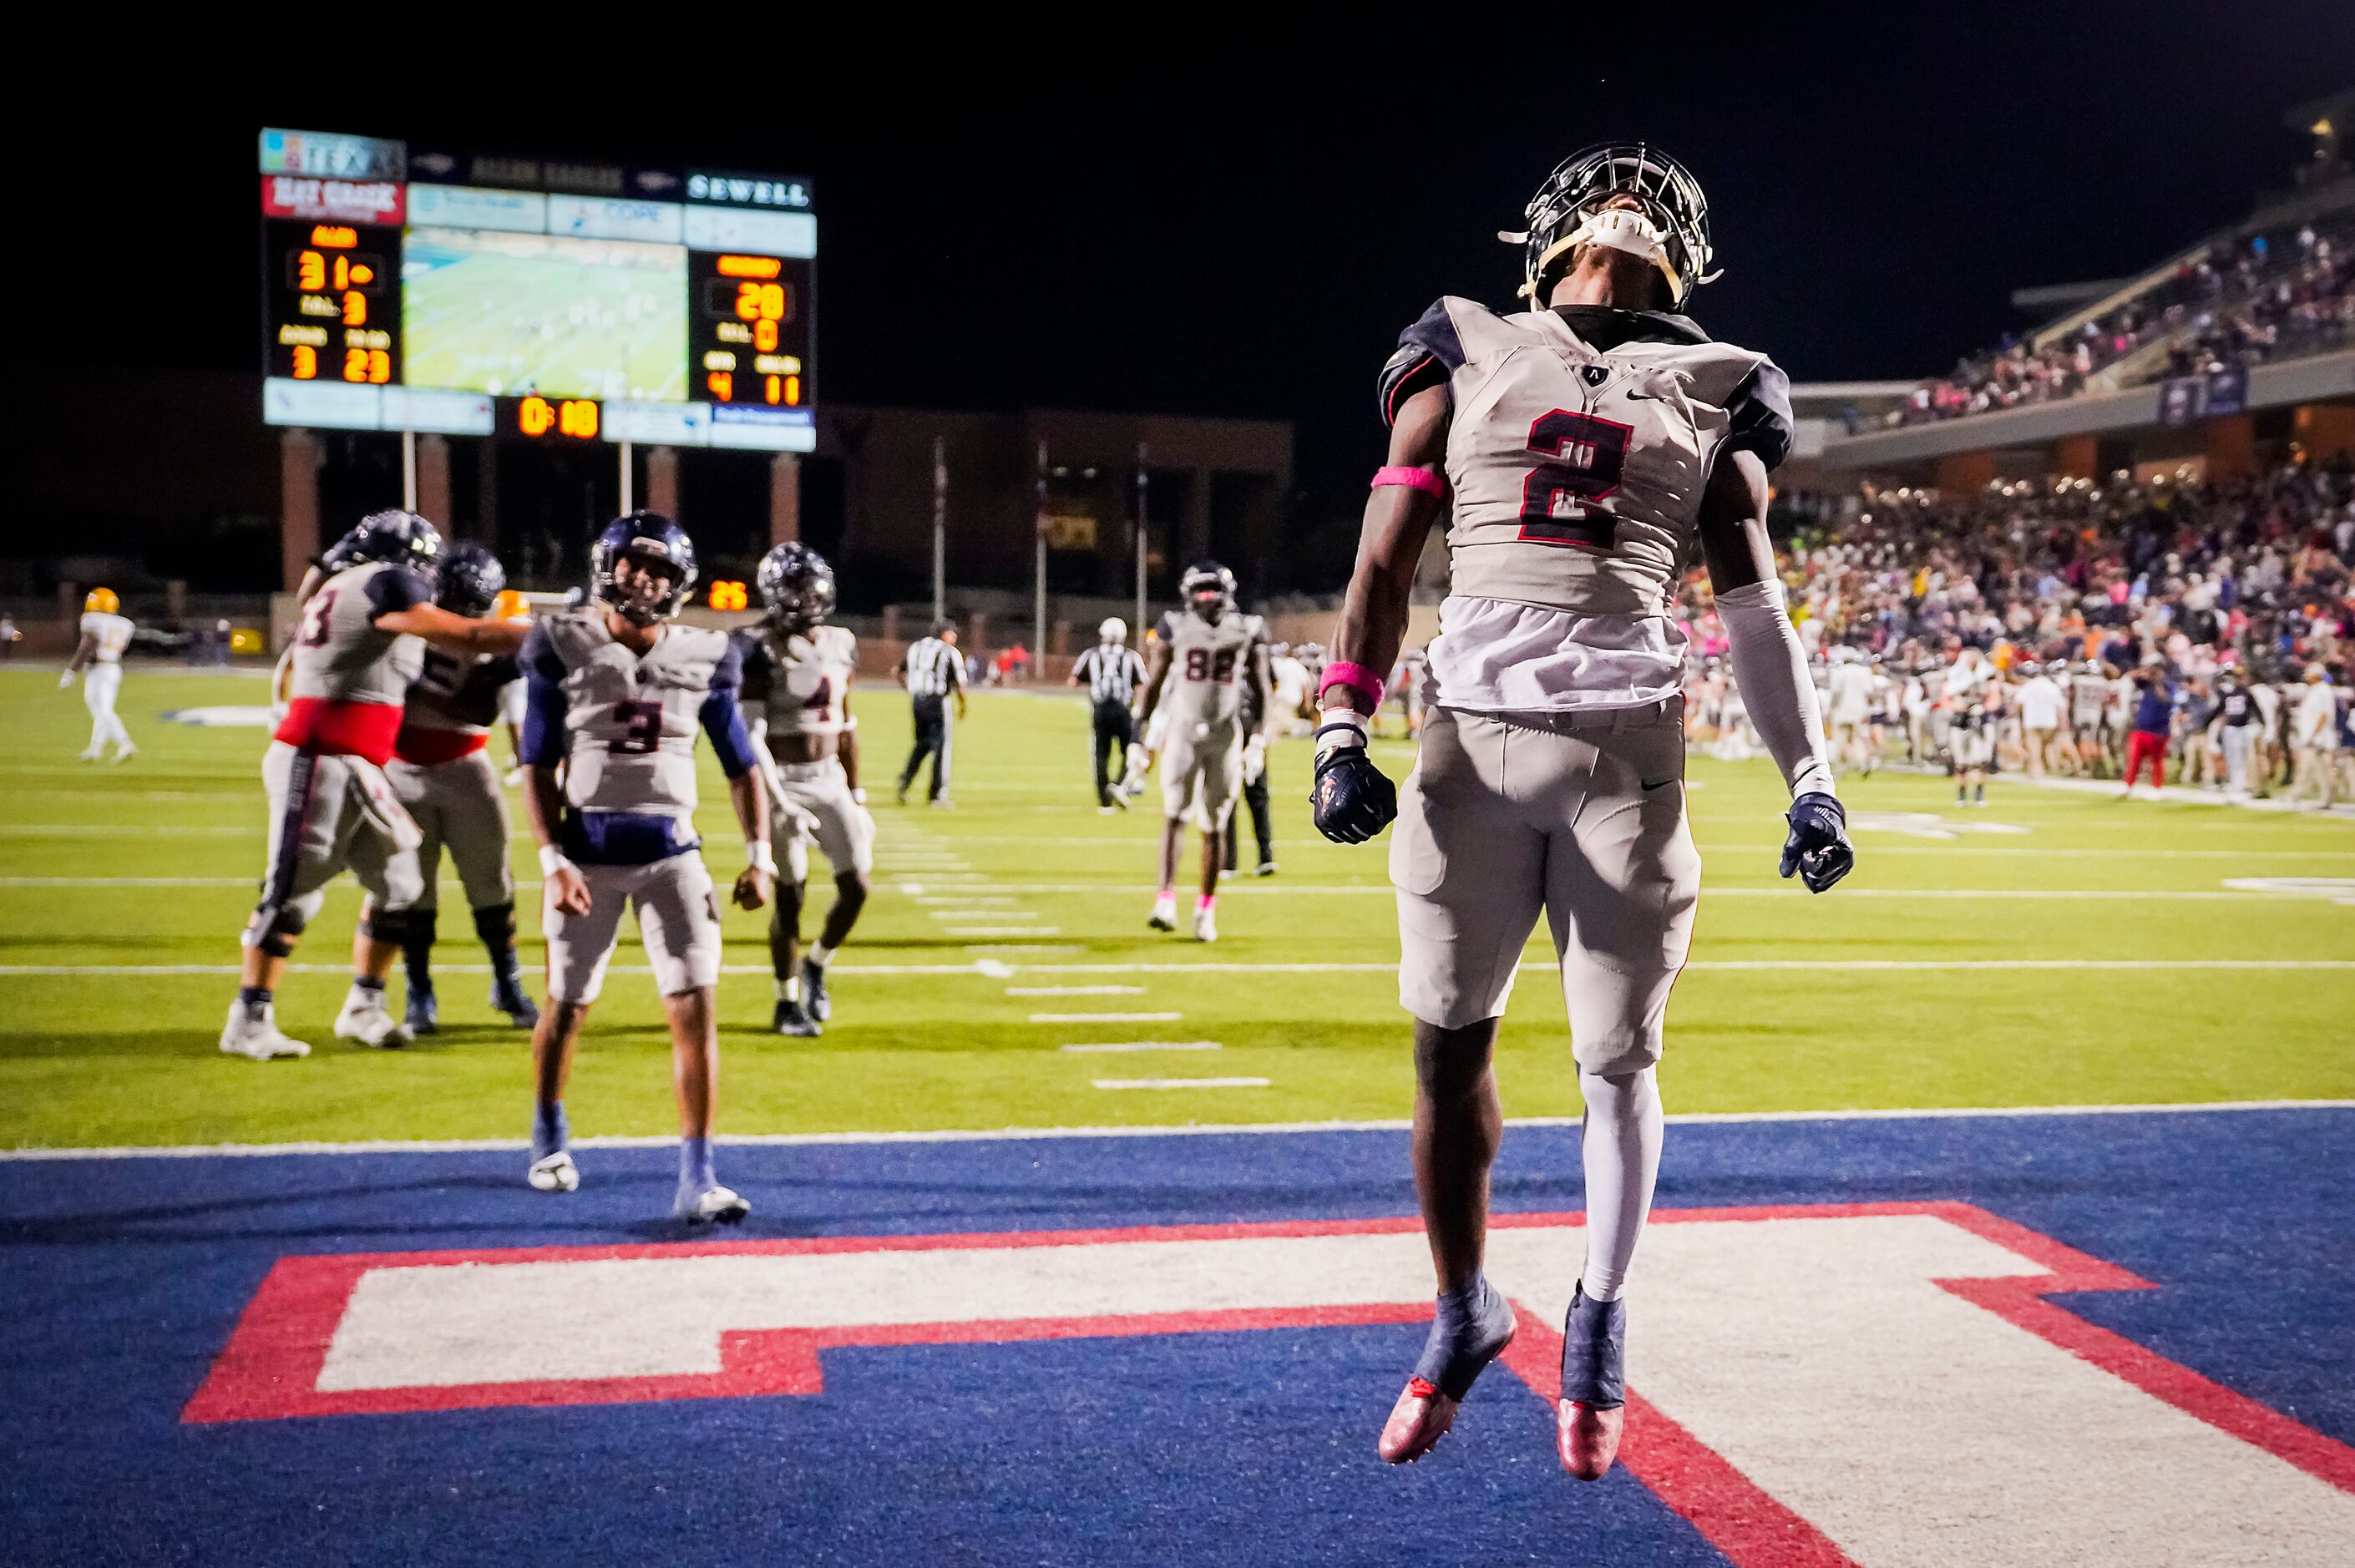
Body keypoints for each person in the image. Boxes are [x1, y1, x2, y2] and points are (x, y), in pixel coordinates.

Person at [1311, 144, 1851, 1482]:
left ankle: (1600, 1318)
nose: (1630, 205)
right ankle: (1465, 1306)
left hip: (1629, 756)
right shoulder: (1468, 337)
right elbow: (1386, 549)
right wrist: (1340, 721)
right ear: (1542, 236)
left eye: (1658, 197)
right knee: (1444, 1049)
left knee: (1616, 1061)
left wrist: (1811, 774)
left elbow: (1754, 606)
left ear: (1694, 252)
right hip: (1465, 746)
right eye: (1610, 193)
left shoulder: (1728, 381)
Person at [516, 513, 772, 1222]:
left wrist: (760, 855)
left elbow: (742, 766)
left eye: (660, 571)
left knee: (695, 1009)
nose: (645, 579)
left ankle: (698, 1177)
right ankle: (548, 1137)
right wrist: (551, 859)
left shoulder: (705, 653)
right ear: (608, 566)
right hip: (586, 857)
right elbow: (534, 764)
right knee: (567, 1005)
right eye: (635, 565)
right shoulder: (561, 640)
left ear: (679, 583)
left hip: (673, 856)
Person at [220, 512, 528, 1061]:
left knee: (403, 884)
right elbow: (472, 635)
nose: (429, 577)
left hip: (359, 762)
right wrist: (562, 631)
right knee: (293, 888)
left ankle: (364, 1006)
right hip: (321, 753)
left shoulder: (345, 585)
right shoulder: (386, 581)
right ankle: (249, 1017)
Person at [358, 543, 539, 1035]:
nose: (460, 615)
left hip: (466, 767)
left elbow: (508, 721)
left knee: (491, 885)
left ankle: (507, 981)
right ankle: (419, 989)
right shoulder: (409, 627)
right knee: (414, 891)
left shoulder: (495, 643)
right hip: (403, 769)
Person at [741, 542, 874, 1039]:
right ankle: (785, 999)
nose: (805, 596)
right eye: (794, 587)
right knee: (791, 897)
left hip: (829, 779)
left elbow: (846, 723)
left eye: (809, 585)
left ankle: (817, 963)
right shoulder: (758, 648)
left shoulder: (841, 641)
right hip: (784, 781)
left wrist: (857, 794)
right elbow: (752, 737)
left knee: (857, 886)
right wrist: (777, 800)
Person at [1132, 560, 1272, 942]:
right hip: (1183, 731)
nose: (1207, 599)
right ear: (1189, 594)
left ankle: (1205, 910)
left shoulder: (1248, 628)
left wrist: (1259, 738)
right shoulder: (1174, 626)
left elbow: (1263, 689)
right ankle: (1165, 899)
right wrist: (1136, 733)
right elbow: (1156, 680)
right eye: (1201, 591)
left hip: (1226, 735)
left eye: (1213, 591)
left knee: (1214, 824)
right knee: (1175, 814)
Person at [1070, 617, 1147, 811]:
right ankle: (1119, 784)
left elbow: (1073, 681)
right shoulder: (1131, 656)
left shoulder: (1091, 655)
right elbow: (1144, 684)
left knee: (1101, 754)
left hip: (1101, 709)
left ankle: (1104, 800)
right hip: (1123, 710)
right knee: (1129, 752)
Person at [894, 621, 967, 806]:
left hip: (917, 701)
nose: (955, 637)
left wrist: (909, 688)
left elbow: (897, 672)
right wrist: (963, 705)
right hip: (937, 701)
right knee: (941, 748)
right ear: (944, 634)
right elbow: (960, 683)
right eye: (952, 633)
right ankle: (937, 794)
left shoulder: (915, 647)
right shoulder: (949, 651)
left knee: (922, 744)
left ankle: (905, 780)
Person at [63, 587, 136, 763]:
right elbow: (121, 648)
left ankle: (125, 743)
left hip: (99, 669)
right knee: (102, 710)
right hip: (114, 668)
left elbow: (87, 646)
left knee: (102, 710)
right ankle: (95, 748)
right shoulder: (125, 624)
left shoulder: (91, 619)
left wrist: (71, 671)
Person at [2291, 664, 2341, 807]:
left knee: (2322, 770)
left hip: (2319, 738)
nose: (2305, 674)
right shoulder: (2314, 690)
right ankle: (2298, 794)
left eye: (2308, 672)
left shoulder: (2323, 690)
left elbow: (2324, 714)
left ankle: (2325, 797)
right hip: (2312, 737)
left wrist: (2314, 735)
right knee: (2308, 768)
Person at [2122, 664, 2174, 797]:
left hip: (2158, 730)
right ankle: (2128, 785)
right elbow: (2134, 678)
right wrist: (2143, 673)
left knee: (2156, 760)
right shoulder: (2146, 685)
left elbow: (2167, 700)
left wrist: (2157, 681)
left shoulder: (2167, 685)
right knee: (2134, 759)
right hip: (2141, 728)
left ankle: (2157, 787)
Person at [1825, 649, 1873, 775]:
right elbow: (1869, 692)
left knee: (1841, 738)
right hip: (1860, 709)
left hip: (1841, 709)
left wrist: (1831, 708)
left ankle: (1841, 767)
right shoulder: (1865, 672)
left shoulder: (1839, 672)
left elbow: (1836, 692)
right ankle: (1862, 762)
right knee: (1858, 738)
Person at [2017, 660, 2068, 778]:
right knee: (2048, 746)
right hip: (2049, 721)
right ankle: (2052, 768)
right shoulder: (2052, 686)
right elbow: (2061, 707)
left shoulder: (2029, 685)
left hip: (2032, 720)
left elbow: (2018, 702)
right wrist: (2062, 723)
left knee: (2034, 747)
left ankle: (2037, 771)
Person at [2216, 669, 2261, 796]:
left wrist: (2261, 723)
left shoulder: (2246, 693)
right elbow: (2218, 709)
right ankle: (2235, 785)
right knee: (2232, 759)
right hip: (2230, 729)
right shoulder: (2228, 694)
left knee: (2240, 759)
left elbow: (2256, 709)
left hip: (2243, 728)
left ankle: (2239, 786)